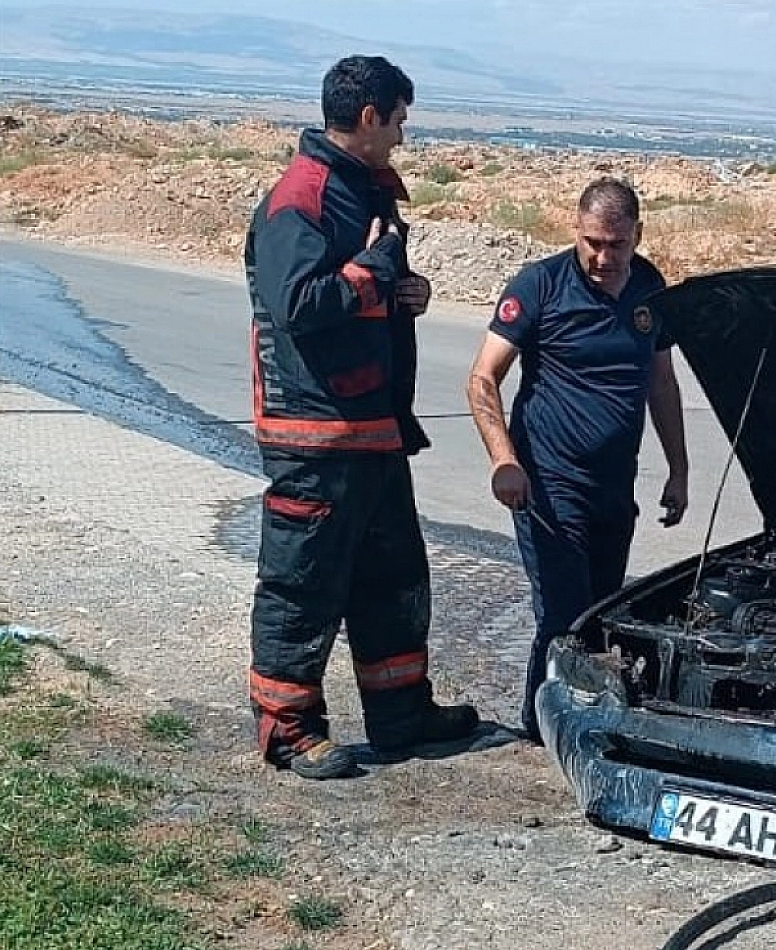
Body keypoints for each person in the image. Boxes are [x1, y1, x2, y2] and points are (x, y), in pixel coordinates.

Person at [244, 54, 477, 779]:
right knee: (304, 584)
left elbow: (365, 290)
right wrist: (374, 271)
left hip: (373, 430)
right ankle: (287, 730)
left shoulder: (358, 189)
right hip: (314, 436)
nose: (405, 137)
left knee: (394, 579)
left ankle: (402, 717)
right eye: (401, 120)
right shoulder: (302, 196)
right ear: (370, 116)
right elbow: (299, 306)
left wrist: (405, 289)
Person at [466, 177, 690, 743]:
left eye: (616, 244)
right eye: (591, 241)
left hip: (614, 489)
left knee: (603, 614)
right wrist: (503, 461)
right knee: (564, 617)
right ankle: (541, 730)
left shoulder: (649, 287)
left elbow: (661, 383)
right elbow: (482, 378)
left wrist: (679, 469)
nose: (602, 256)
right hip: (547, 485)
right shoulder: (540, 286)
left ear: (638, 235)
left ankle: (578, 721)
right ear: (576, 230)